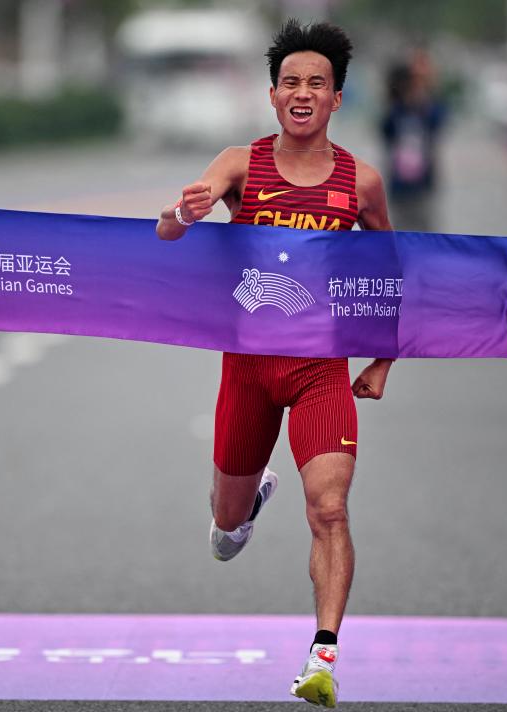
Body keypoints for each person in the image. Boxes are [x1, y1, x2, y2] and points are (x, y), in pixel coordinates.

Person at [155, 18, 393, 708]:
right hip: (248, 371)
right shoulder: (239, 165)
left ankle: (323, 657)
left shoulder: (362, 184)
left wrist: (384, 360)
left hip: (321, 369)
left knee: (330, 509)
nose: (302, 92)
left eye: (316, 83)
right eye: (291, 81)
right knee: (225, 537)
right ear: (272, 94)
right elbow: (167, 233)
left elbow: (393, 272)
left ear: (336, 100)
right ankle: (246, 501)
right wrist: (185, 210)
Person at [380, 48, 446, 232]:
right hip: (399, 186)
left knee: (425, 230)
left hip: (423, 184)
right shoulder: (395, 113)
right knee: (402, 231)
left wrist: (427, 93)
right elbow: (385, 131)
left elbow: (440, 120)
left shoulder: (428, 111)